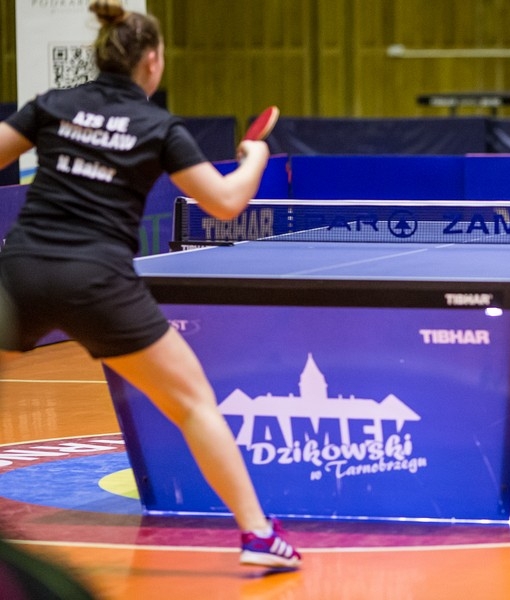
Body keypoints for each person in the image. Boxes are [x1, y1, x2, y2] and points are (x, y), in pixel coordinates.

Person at [0, 0, 301, 568]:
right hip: (100, 282)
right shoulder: (159, 128)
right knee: (193, 403)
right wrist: (256, 159)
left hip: (22, 272)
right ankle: (259, 536)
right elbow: (226, 203)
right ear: (153, 62)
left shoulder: (51, 105)